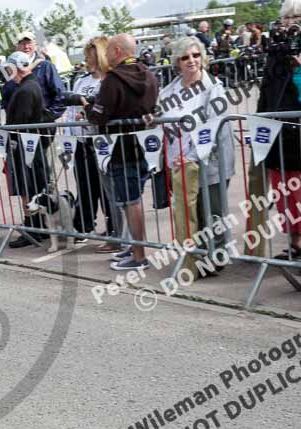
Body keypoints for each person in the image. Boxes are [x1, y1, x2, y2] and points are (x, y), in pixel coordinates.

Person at [147, 37, 235, 278]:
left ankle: (216, 256)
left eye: (196, 55)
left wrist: (193, 155)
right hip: (180, 164)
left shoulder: (213, 87)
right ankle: (194, 256)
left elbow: (214, 125)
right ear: (177, 62)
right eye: (185, 57)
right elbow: (159, 120)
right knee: (189, 212)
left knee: (213, 210)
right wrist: (150, 119)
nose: (192, 61)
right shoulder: (168, 92)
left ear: (203, 57)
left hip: (211, 161)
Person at [84, 33, 158, 270]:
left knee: (131, 201)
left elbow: (99, 115)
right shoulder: (148, 74)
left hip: (120, 149)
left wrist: (86, 106)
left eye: (108, 51)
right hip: (143, 147)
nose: (105, 55)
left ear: (116, 50)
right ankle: (134, 249)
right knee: (132, 200)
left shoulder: (113, 80)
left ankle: (139, 257)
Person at [256, 1, 301, 260]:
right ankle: (294, 243)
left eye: (297, 16)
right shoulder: (277, 50)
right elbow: (266, 90)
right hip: (276, 134)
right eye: (288, 17)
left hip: (297, 133)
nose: (292, 21)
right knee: (284, 193)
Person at [63, 37, 115, 240]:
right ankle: (83, 226)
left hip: (103, 142)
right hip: (82, 141)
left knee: (106, 188)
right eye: (85, 57)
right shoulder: (81, 80)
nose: (86, 61)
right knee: (84, 185)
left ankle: (114, 227)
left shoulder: (109, 79)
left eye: (89, 57)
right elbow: (70, 110)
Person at [3, 51, 47, 248]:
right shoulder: (29, 86)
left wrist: (11, 140)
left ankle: (34, 228)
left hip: (26, 147)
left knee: (28, 187)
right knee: (32, 186)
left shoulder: (26, 89)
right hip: (30, 146)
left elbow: (19, 123)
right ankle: (37, 226)